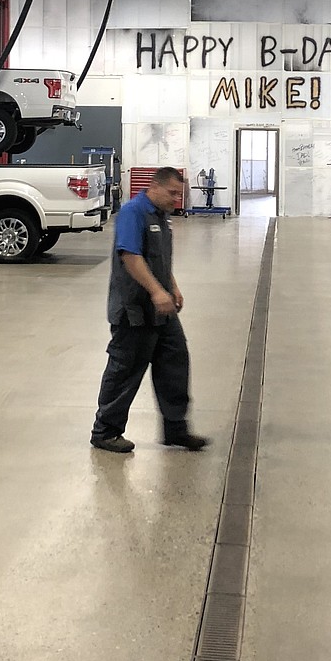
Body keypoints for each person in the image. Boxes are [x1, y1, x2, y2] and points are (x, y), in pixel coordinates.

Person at [90, 165, 209, 454]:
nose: (175, 200)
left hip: (161, 308)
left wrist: (173, 287)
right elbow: (130, 255)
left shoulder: (162, 217)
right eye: (171, 193)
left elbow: (159, 260)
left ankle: (175, 429)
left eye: (178, 195)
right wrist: (156, 291)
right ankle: (105, 431)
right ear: (153, 188)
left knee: (174, 361)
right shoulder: (134, 212)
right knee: (125, 370)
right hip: (135, 310)